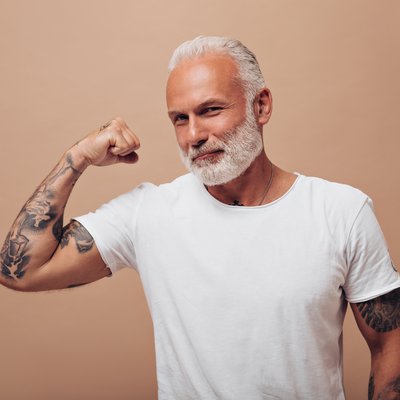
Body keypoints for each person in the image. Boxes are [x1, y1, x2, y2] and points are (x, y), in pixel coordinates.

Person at [0, 36, 399, 400]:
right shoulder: (149, 213)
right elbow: (20, 271)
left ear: (261, 106)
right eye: (180, 118)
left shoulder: (341, 211)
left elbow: (390, 344)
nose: (194, 135)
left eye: (210, 110)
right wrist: (78, 158)